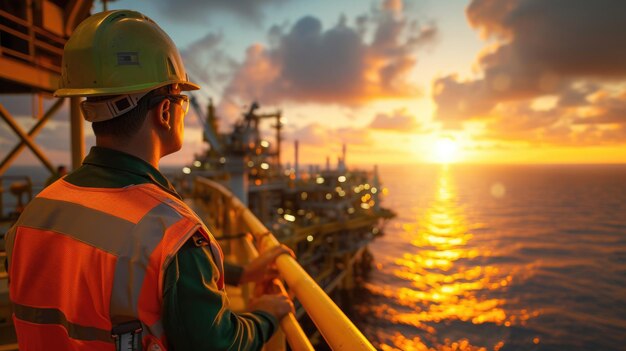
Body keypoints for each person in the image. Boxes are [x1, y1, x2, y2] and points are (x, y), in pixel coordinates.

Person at [5, 10, 293, 351]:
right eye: (182, 100)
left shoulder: (36, 213)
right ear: (165, 112)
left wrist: (242, 275)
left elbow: (121, 268)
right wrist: (264, 315)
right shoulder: (171, 232)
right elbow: (217, 343)